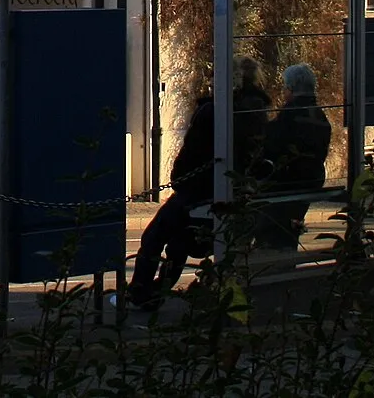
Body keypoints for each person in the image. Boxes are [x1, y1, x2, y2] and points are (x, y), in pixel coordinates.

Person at [123, 58, 271, 310]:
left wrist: (178, 178)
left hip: (199, 190)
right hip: (227, 191)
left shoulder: (213, 111)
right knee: (179, 240)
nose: (211, 81)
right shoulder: (256, 112)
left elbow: (192, 153)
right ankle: (153, 291)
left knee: (154, 236)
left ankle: (141, 290)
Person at [256, 62, 333, 249]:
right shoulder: (318, 115)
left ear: (290, 88)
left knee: (274, 232)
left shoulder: (291, 114)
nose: (284, 92)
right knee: (289, 229)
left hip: (287, 182)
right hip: (311, 180)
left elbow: (272, 143)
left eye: (285, 87)